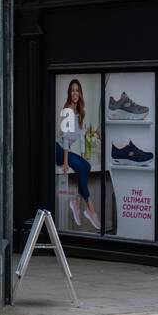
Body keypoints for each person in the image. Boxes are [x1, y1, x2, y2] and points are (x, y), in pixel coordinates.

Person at [56, 78, 99, 228]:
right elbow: (66, 138)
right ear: (70, 93)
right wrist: (66, 162)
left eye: (77, 90)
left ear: (80, 93)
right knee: (82, 168)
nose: (75, 93)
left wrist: (82, 155)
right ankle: (91, 210)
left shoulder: (80, 112)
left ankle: (76, 202)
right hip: (59, 150)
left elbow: (80, 136)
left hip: (65, 150)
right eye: (72, 90)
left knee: (86, 166)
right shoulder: (67, 110)